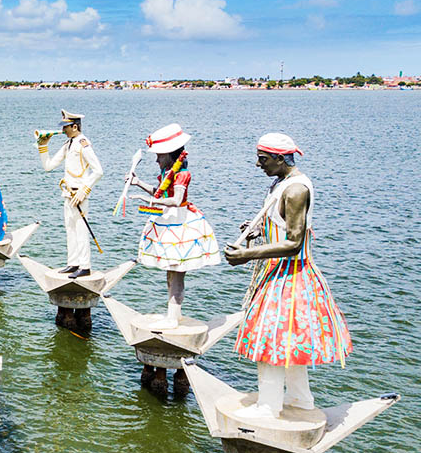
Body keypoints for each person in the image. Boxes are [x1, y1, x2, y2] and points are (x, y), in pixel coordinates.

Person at [225, 133, 351, 418]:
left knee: (271, 342)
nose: (259, 164)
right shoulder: (281, 183)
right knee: (290, 342)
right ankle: (300, 400)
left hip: (289, 276)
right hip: (281, 273)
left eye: (263, 159)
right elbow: (281, 226)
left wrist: (246, 255)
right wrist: (259, 231)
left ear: (281, 159)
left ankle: (269, 407)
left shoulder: (296, 191)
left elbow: (293, 244)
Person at [127, 123, 219, 329]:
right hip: (168, 220)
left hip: (179, 224)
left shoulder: (181, 175)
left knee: (176, 273)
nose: (157, 159)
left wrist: (148, 200)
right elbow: (160, 193)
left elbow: (176, 200)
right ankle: (172, 314)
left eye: (159, 155)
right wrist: (138, 183)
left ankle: (173, 317)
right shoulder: (168, 173)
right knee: (170, 273)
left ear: (169, 154)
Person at [36, 110, 103, 278]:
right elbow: (48, 166)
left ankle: (84, 265)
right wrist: (43, 146)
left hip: (79, 195)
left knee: (81, 230)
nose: (64, 130)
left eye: (66, 127)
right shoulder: (68, 144)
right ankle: (73, 263)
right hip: (68, 194)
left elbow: (98, 171)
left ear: (74, 126)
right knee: (70, 230)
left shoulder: (83, 143)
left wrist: (84, 190)